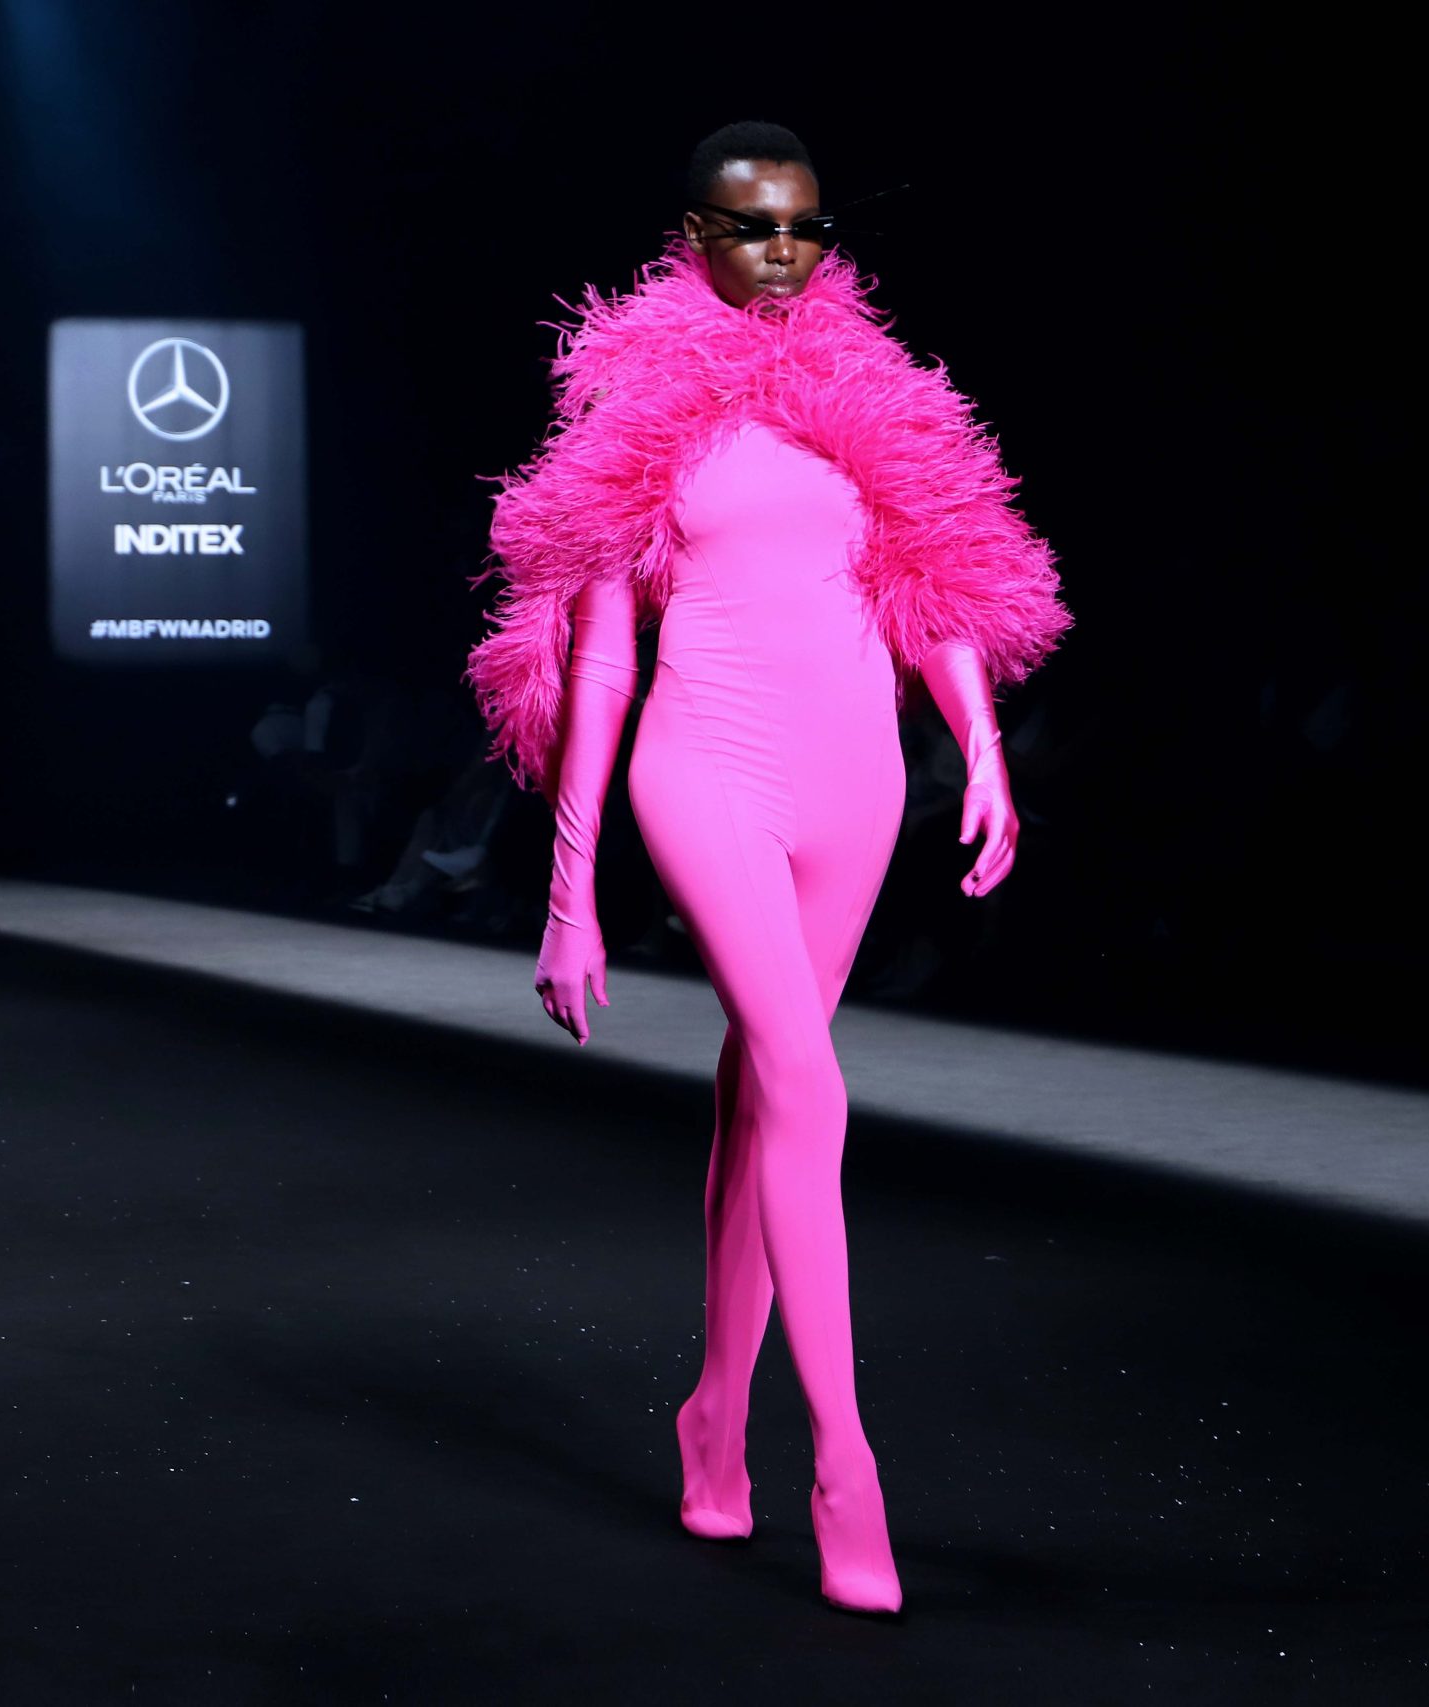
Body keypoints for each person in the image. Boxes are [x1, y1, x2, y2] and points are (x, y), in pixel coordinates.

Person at [462, 121, 1072, 1616]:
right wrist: (568, 895)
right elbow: (599, 661)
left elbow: (935, 583)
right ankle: (845, 1464)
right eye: (752, 227)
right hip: (706, 766)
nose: (784, 251)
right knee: (810, 1085)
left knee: (760, 1096)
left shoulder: (874, 390)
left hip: (857, 780)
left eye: (804, 225)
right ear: (696, 237)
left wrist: (983, 750)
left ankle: (714, 1419)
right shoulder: (636, 401)